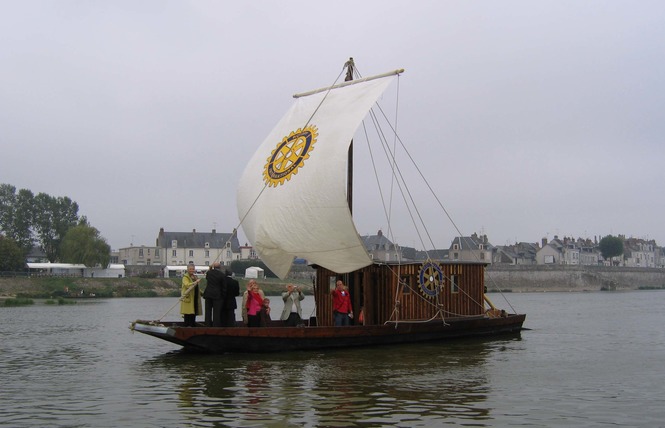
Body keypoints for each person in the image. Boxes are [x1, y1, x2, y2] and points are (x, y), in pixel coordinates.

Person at [203, 262, 226, 327]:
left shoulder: (209, 273)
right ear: (220, 267)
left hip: (208, 294)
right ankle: (216, 325)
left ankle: (207, 324)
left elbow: (207, 278)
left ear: (213, 267)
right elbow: (224, 287)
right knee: (216, 312)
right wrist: (223, 296)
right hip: (217, 295)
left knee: (208, 311)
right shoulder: (222, 275)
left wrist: (210, 268)